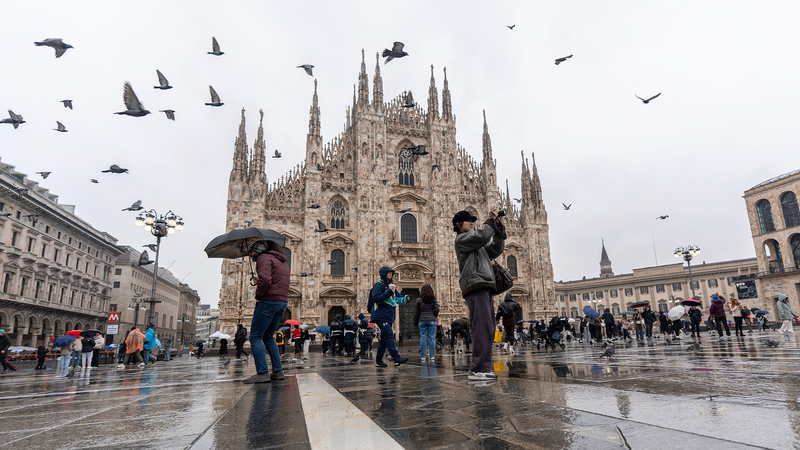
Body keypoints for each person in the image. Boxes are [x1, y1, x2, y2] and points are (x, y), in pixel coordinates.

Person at [453, 208, 505, 381]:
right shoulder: (462, 240)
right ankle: (477, 369)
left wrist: (498, 230)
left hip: (484, 285)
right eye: (468, 220)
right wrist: (489, 221)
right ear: (458, 225)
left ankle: (483, 367)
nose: (471, 222)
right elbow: (482, 236)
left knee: (489, 328)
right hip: (475, 285)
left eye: (472, 220)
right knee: (481, 327)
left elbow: (494, 249)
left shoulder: (476, 245)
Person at [244, 239, 290, 384]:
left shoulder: (264, 258)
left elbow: (265, 280)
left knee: (255, 337)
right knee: (269, 336)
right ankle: (277, 371)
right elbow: (274, 280)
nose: (250, 255)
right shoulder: (282, 262)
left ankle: (262, 372)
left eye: (251, 252)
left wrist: (259, 296)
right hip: (282, 302)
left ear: (258, 249)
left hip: (268, 301)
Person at [368, 266, 409, 367]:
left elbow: (398, 299)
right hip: (380, 315)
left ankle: (378, 361)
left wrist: (407, 298)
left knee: (384, 339)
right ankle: (396, 357)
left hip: (388, 315)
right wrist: (389, 292)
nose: (390, 275)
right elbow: (376, 298)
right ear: (384, 273)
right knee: (390, 335)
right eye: (389, 273)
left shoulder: (391, 286)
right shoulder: (379, 285)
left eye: (392, 273)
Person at [414, 284, 440, 362]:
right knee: (432, 338)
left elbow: (416, 313)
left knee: (423, 338)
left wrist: (415, 322)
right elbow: (437, 310)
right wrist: (433, 315)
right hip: (431, 320)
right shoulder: (433, 299)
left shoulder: (418, 300)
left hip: (422, 321)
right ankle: (432, 356)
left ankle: (423, 356)